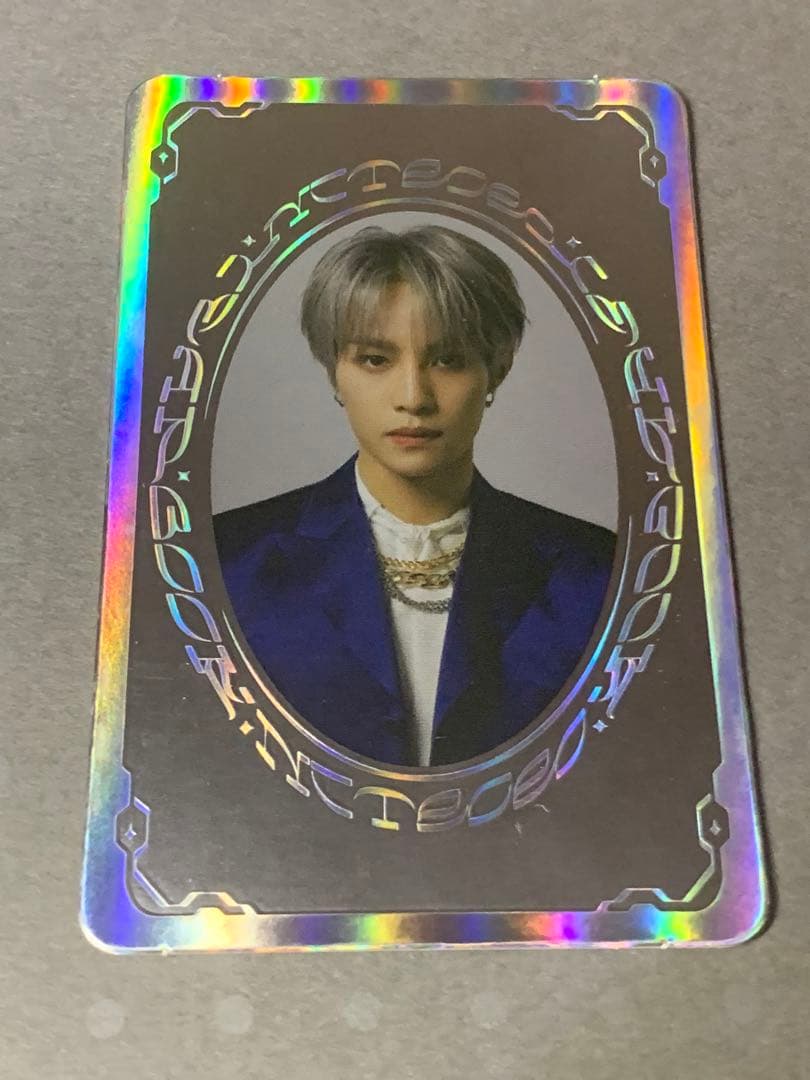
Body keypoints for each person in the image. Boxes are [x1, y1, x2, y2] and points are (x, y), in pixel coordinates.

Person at [213, 224, 615, 767]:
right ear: (334, 372)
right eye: (375, 360)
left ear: (496, 370)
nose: (413, 398)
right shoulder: (229, 560)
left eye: (448, 360)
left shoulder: (596, 572)